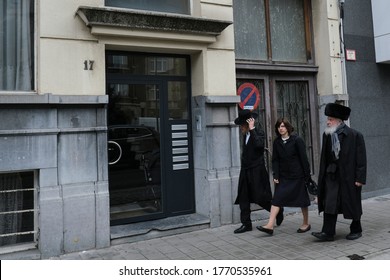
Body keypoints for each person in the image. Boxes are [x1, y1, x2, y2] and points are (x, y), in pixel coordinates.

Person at [312, 103, 367, 241]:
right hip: (332, 175)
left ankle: (356, 229)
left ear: (339, 121)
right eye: (328, 119)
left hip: (349, 176)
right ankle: (328, 232)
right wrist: (323, 177)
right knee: (330, 202)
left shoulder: (355, 135)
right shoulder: (327, 135)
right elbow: (325, 157)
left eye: (330, 119)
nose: (328, 121)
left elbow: (361, 159)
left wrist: (360, 178)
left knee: (352, 202)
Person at [257, 118, 311, 235]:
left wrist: (307, 176)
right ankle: (270, 225)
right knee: (277, 200)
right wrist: (275, 174)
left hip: (297, 176)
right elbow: (275, 160)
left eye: (283, 126)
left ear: (288, 127)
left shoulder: (297, 140)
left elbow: (304, 159)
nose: (280, 129)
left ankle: (306, 223)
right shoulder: (277, 142)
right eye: (279, 126)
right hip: (283, 177)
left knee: (302, 201)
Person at [233, 109, 283, 233]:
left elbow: (259, 146)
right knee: (243, 197)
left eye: (241, 125)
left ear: (247, 124)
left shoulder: (258, 132)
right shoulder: (245, 135)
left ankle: (278, 211)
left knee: (261, 197)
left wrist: (252, 129)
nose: (240, 128)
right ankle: (246, 224)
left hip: (257, 170)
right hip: (245, 170)